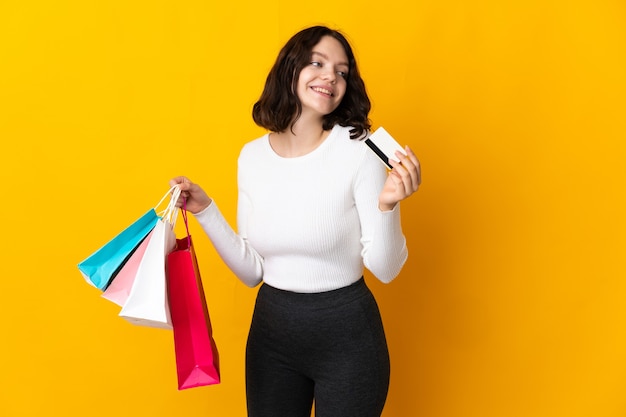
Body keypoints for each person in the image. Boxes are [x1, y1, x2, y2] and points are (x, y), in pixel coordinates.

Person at [170, 25, 421, 417]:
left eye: (342, 71)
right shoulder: (251, 157)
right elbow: (253, 271)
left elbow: (385, 270)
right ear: (291, 69)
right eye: (317, 63)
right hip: (272, 336)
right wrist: (205, 211)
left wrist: (388, 205)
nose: (330, 77)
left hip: (348, 338)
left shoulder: (360, 150)